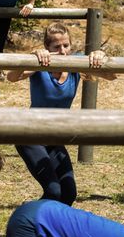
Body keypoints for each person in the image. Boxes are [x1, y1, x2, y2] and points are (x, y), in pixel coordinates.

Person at [7, 22, 116, 205]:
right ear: (47, 48)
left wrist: (101, 56)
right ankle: (29, 222)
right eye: (56, 47)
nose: (63, 51)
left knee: (68, 194)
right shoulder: (41, 64)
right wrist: (32, 57)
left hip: (54, 137)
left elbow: (112, 76)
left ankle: (47, 224)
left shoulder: (76, 64)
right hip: (30, 135)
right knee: (53, 190)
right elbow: (11, 77)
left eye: (66, 45)